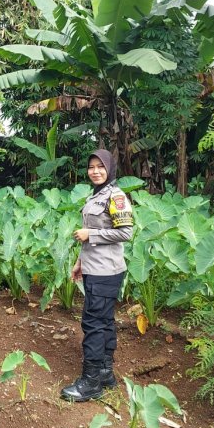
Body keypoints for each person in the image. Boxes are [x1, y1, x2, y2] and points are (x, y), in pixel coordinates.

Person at [60, 149, 133, 402]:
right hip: (95, 267)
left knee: (93, 323)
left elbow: (125, 233)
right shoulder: (97, 195)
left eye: (100, 167)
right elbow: (92, 231)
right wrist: (80, 261)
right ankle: (104, 373)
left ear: (110, 168)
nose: (95, 171)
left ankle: (90, 383)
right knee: (104, 321)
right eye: (91, 167)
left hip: (105, 271)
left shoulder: (116, 196)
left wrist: (92, 235)